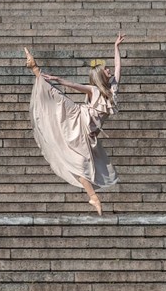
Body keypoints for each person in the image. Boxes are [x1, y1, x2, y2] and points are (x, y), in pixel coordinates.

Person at [23, 34, 125, 215]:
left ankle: (93, 197)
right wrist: (57, 79)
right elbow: (72, 85)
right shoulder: (94, 90)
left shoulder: (113, 88)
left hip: (88, 133)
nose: (110, 70)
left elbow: (118, 66)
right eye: (106, 69)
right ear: (101, 74)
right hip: (78, 119)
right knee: (57, 98)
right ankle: (35, 68)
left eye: (108, 69)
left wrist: (116, 46)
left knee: (80, 163)